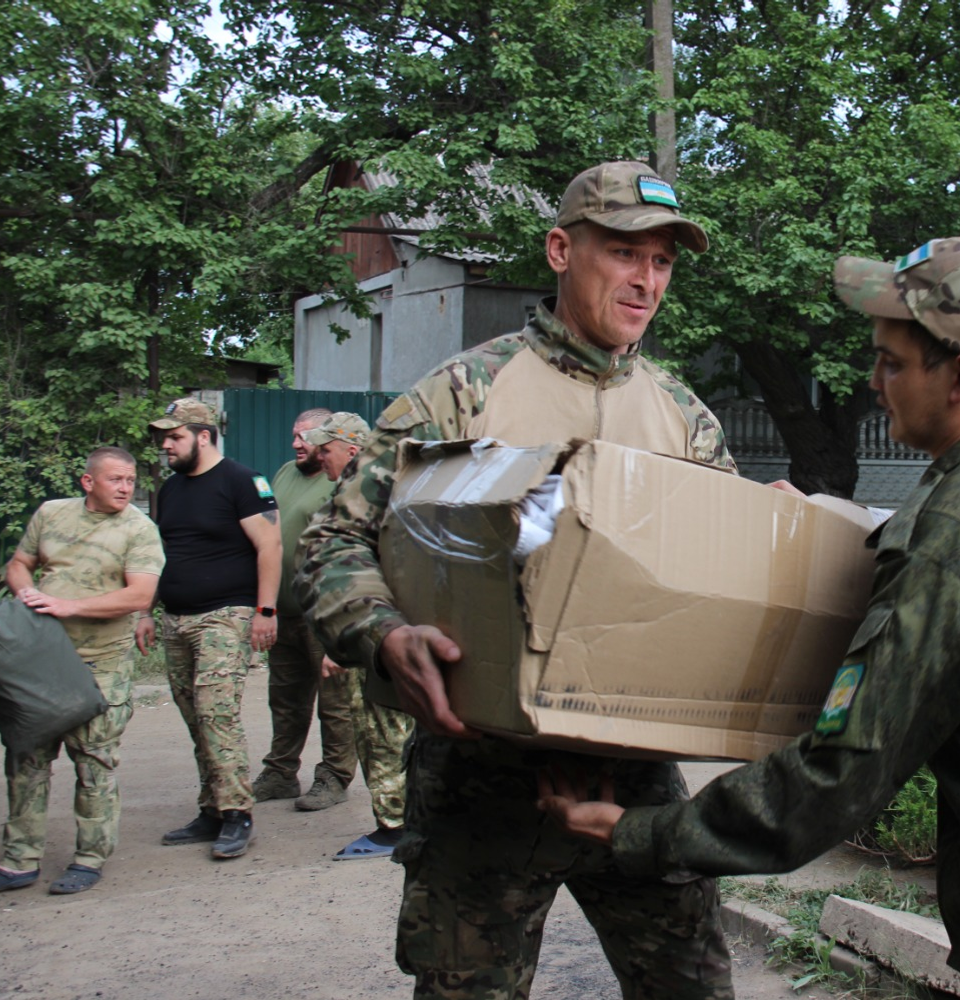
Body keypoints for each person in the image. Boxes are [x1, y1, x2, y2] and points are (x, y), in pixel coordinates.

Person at [539, 238, 960, 1000]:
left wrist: (635, 832)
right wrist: (833, 523)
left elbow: (836, 779)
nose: (872, 380)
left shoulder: (959, 549)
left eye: (892, 363)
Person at [298, 161, 735, 999]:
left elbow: (718, 576)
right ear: (562, 249)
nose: (646, 280)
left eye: (662, 261)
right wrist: (385, 634)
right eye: (624, 253)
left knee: (693, 987)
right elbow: (336, 540)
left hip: (632, 774)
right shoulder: (462, 396)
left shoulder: (685, 416)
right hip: (479, 769)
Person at [0, 447, 164, 896]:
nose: (126, 488)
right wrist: (28, 595)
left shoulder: (139, 529)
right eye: (116, 479)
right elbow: (19, 565)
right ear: (88, 482)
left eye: (130, 480)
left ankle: (89, 857)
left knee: (95, 760)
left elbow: (139, 595)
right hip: (41, 660)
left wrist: (69, 605)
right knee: (26, 758)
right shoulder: (52, 514)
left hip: (100, 663)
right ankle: (18, 860)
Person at [136, 397, 280, 861]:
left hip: (226, 615)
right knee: (195, 716)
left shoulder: (241, 480)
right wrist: (145, 611)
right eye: (163, 439)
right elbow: (160, 556)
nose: (166, 447)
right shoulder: (172, 489)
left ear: (203, 435)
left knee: (216, 713)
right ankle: (212, 808)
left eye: (174, 437)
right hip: (176, 617)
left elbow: (270, 545)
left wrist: (266, 611)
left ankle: (239, 812)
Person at [301, 411, 414, 860]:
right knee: (379, 728)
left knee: (381, 729)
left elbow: (381, 574)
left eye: (324, 448)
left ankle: (395, 825)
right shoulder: (359, 494)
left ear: (353, 451)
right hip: (372, 633)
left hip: (378, 637)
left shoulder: (375, 499)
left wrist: (350, 645)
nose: (317, 455)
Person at [250, 409, 357, 812]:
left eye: (305, 438)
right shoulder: (283, 474)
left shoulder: (342, 483)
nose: (296, 444)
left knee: (335, 703)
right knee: (285, 699)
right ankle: (280, 773)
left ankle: (334, 775)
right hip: (284, 610)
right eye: (294, 436)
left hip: (323, 613)